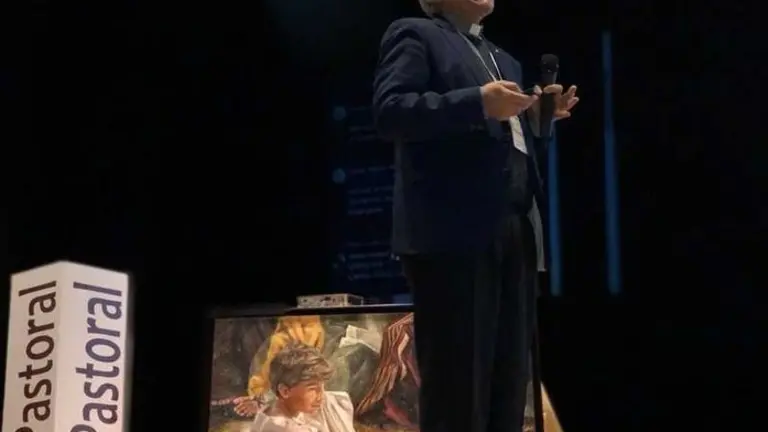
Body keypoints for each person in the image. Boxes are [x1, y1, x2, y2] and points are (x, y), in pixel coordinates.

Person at [371, 1, 579, 432]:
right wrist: (478, 102)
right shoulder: (416, 33)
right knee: (458, 385)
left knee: (509, 382)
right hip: (453, 232)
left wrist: (537, 121)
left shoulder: (504, 59)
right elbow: (390, 111)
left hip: (515, 228)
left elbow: (509, 148)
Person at [248, 343, 355, 432]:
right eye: (312, 389)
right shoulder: (285, 428)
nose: (321, 396)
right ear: (285, 391)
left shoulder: (274, 410)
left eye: (322, 387)